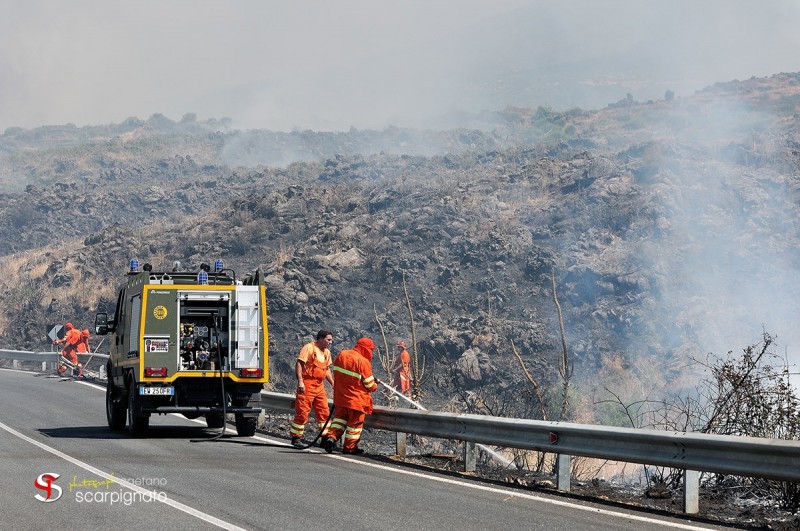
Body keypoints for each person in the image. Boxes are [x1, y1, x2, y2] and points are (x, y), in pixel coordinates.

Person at [324, 337, 379, 455]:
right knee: (355, 425)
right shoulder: (363, 362)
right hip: (356, 400)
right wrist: (375, 385)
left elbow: (342, 375)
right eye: (371, 350)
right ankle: (350, 448)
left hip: (340, 398)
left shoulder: (342, 354)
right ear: (365, 349)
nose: (371, 353)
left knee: (339, 420)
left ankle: (331, 437)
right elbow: (370, 385)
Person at [290, 330, 334, 448]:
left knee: (324, 412)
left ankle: (324, 438)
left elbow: (327, 369)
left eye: (331, 340)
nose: (331, 342)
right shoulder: (309, 348)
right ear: (320, 338)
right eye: (328, 340)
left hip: (319, 386)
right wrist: (300, 382)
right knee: (302, 412)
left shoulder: (327, 353)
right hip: (307, 384)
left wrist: (333, 383)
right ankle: (296, 438)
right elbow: (299, 364)